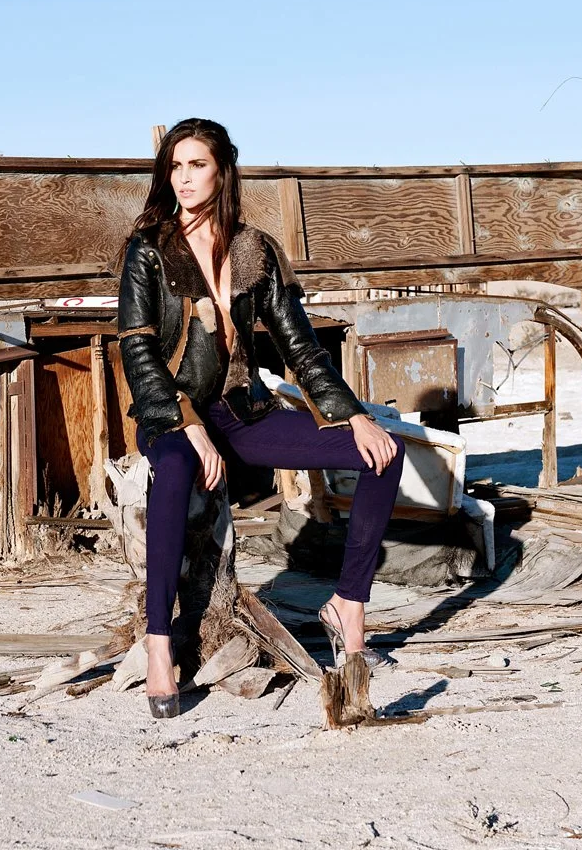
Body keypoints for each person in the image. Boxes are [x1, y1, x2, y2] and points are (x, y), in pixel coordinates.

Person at [116, 117, 405, 719]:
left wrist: (350, 415)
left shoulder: (255, 251)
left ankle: (348, 605)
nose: (185, 178)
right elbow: (138, 350)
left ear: (222, 170)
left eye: (197, 165)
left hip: (242, 413)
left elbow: (300, 345)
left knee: (383, 452)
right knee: (171, 473)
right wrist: (189, 427)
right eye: (176, 166)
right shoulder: (147, 251)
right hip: (173, 413)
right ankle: (160, 643)